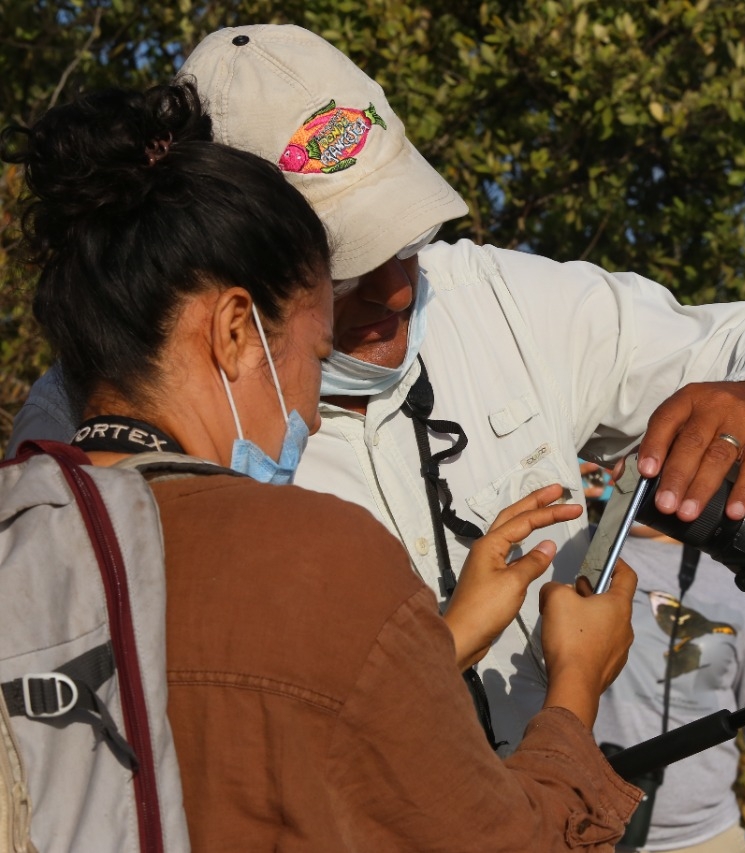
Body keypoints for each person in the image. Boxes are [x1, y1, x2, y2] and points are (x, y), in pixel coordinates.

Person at [5, 24, 745, 750]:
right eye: (342, 267)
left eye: (405, 237)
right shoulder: (101, 416)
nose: (392, 286)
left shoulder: (501, 297)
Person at [1, 82, 641, 850]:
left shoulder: (20, 533)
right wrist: (576, 680)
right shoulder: (317, 556)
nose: (310, 411)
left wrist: (451, 633)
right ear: (236, 330)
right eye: (316, 357)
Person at [583, 466, 745, 853]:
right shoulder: (568, 554)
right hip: (569, 832)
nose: (624, 467)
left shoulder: (735, 583)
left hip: (707, 839)